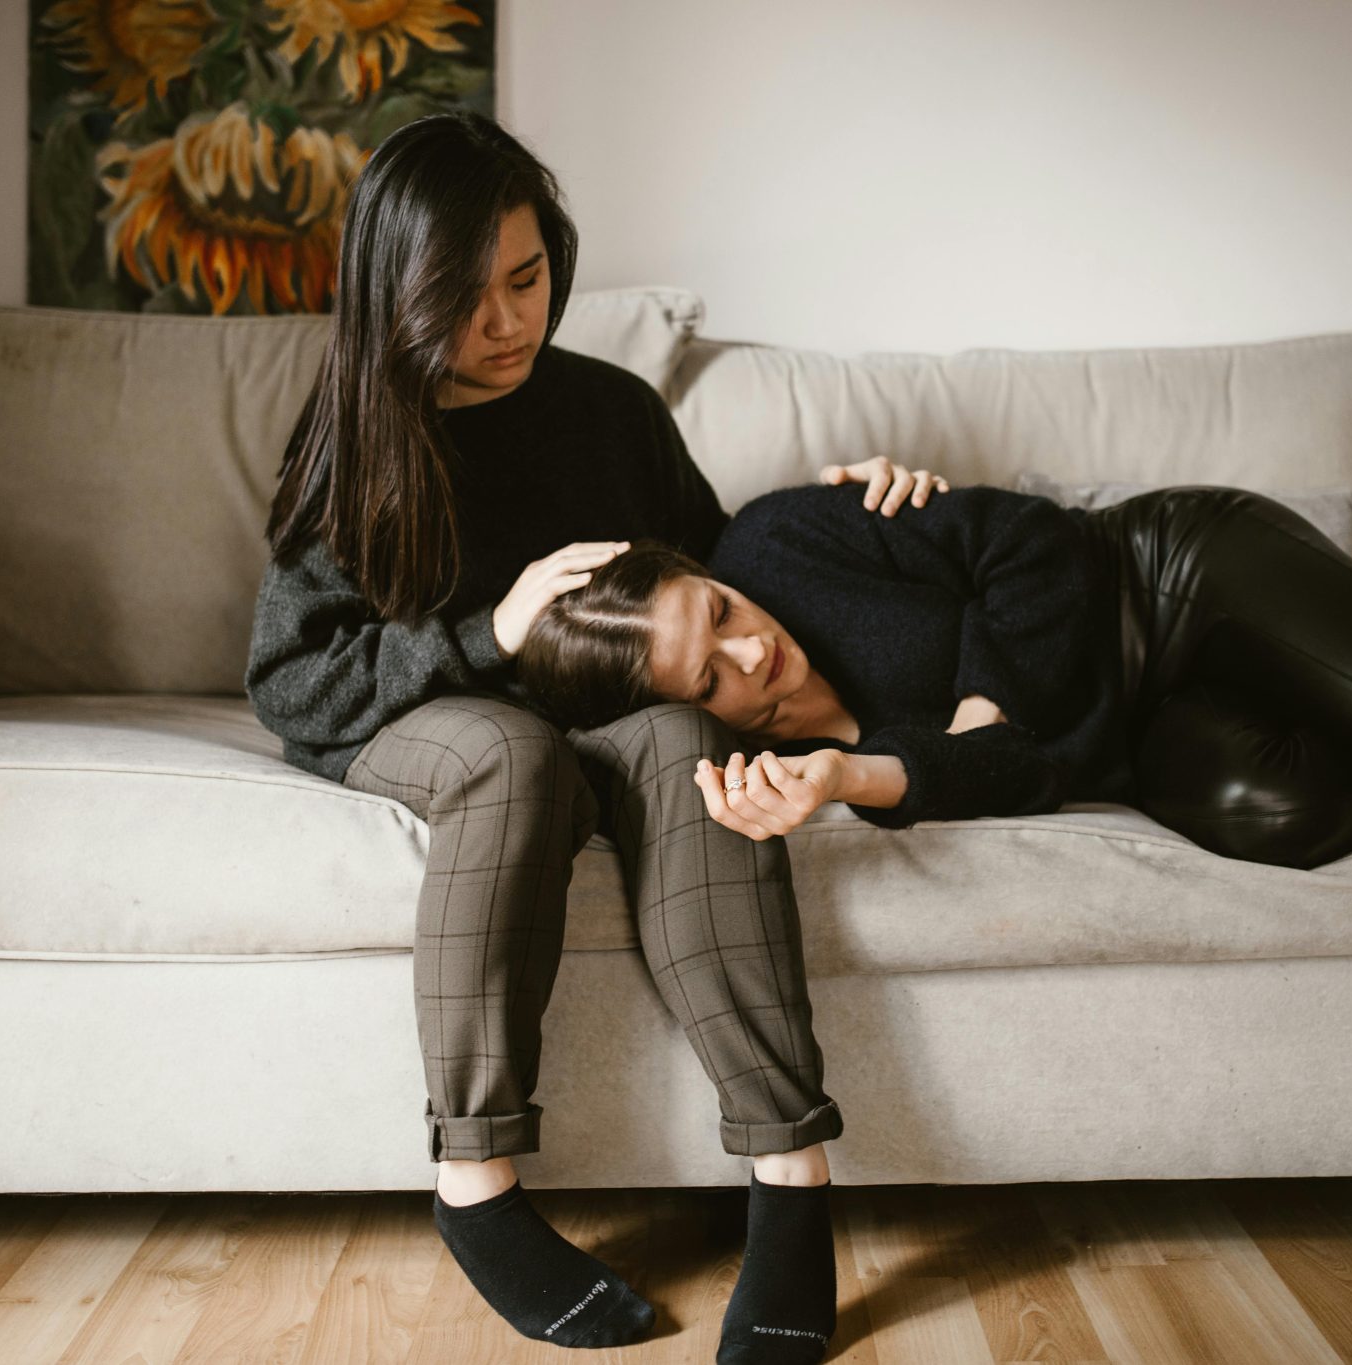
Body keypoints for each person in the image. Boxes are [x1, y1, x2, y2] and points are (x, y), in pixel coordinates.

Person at [243, 110, 948, 1361]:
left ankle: (792, 1179)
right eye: (464, 300)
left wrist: (862, 519)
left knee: (687, 745)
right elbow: (294, 681)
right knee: (509, 754)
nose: (506, 324)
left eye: (526, 280)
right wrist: (491, 634)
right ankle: (476, 1192)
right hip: (429, 719)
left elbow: (728, 577)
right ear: (395, 296)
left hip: (606, 728)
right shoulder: (358, 434)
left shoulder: (611, 408)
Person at [514, 480, 1352, 869]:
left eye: (720, 612)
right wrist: (845, 778)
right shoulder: (769, 768)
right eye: (708, 680)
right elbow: (1017, 779)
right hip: (1137, 739)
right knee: (1273, 816)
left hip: (1158, 580)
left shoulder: (774, 538)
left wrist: (983, 707)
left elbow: (1027, 539)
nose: (753, 648)